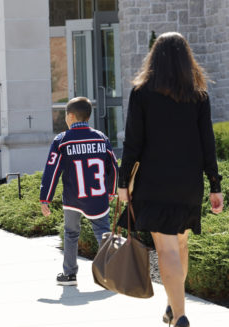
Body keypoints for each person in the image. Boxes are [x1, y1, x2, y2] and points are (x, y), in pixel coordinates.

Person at [117, 32, 223, 327]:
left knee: (166, 249)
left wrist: (123, 183)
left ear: (154, 58)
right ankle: (172, 305)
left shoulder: (141, 93)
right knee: (181, 244)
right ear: (186, 59)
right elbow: (207, 143)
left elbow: (133, 144)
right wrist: (215, 185)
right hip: (188, 183)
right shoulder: (198, 94)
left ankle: (180, 315)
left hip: (154, 182)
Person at [40, 97, 118, 286]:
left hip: (74, 198)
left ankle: (69, 274)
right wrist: (111, 190)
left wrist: (45, 198)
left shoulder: (62, 140)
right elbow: (114, 167)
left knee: (71, 234)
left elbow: (52, 171)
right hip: (98, 196)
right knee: (103, 232)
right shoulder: (101, 138)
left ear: (71, 116)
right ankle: (112, 275)